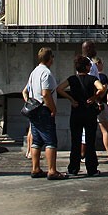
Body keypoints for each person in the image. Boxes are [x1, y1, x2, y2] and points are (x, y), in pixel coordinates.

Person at [22, 47, 67, 179]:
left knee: (36, 141)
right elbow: (46, 93)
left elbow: (26, 90)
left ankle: (35, 168)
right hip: (43, 109)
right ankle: (52, 170)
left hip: (34, 109)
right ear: (49, 59)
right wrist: (53, 109)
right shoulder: (46, 73)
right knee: (50, 141)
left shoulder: (34, 72)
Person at [56, 55, 105, 177]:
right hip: (89, 113)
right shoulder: (92, 78)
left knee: (75, 141)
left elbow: (59, 88)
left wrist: (71, 99)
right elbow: (102, 88)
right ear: (87, 67)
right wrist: (93, 98)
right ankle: (92, 168)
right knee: (90, 141)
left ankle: (73, 168)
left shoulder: (72, 79)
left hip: (76, 111)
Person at [93, 57, 108, 159]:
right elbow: (104, 90)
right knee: (106, 130)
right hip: (101, 104)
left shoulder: (90, 77)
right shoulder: (102, 77)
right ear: (98, 64)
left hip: (92, 105)